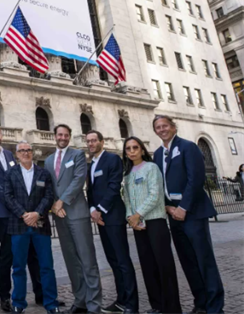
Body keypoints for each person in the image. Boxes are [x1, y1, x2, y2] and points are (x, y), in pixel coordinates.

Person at [153, 115, 224, 314]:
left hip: (192, 213)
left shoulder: (188, 147)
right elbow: (159, 184)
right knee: (188, 262)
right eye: (158, 127)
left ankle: (215, 307)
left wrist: (183, 207)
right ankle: (200, 304)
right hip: (173, 215)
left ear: (173, 127)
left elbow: (196, 179)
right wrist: (168, 207)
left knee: (204, 261)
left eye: (165, 125)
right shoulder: (157, 154)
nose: (162, 129)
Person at [0, 126, 43, 312]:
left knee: (32, 252)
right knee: (7, 254)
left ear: (1, 136)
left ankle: (40, 293)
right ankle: (5, 297)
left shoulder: (9, 154)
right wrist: (10, 200)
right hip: (3, 212)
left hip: (21, 210)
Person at [45, 124, 102, 314]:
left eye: (66, 135)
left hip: (77, 213)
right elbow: (49, 186)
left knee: (87, 260)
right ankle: (80, 301)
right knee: (71, 261)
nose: (62, 138)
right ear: (55, 136)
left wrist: (61, 201)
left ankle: (94, 305)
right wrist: (54, 205)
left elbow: (78, 180)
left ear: (69, 137)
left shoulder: (77, 155)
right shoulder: (48, 160)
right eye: (60, 135)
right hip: (60, 216)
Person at [122, 137, 183, 314]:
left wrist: (138, 214)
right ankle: (157, 305)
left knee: (164, 265)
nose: (132, 151)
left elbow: (155, 195)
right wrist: (130, 218)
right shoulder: (127, 174)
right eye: (128, 148)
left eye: (135, 147)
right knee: (147, 266)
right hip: (138, 225)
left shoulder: (151, 168)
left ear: (142, 150)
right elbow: (126, 198)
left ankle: (172, 309)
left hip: (155, 221)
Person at [85, 130, 138, 314]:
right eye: (88, 141)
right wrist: (92, 209)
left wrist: (100, 209)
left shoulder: (112, 159)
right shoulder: (91, 164)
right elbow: (90, 191)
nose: (91, 144)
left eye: (94, 140)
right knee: (113, 261)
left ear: (102, 141)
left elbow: (114, 186)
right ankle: (121, 301)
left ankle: (131, 305)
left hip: (113, 217)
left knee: (123, 261)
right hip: (100, 219)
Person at [4, 141, 59, 314]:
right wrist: (24, 214)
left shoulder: (43, 173)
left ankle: (51, 304)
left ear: (32, 152)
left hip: (40, 225)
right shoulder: (10, 173)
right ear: (17, 154)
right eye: (22, 150)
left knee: (46, 266)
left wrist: (37, 213)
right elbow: (8, 197)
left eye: (28, 150)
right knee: (18, 267)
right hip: (18, 225)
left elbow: (49, 196)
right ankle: (18, 303)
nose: (25, 153)